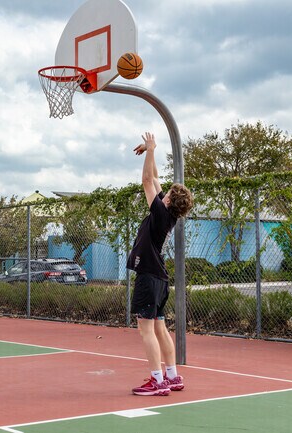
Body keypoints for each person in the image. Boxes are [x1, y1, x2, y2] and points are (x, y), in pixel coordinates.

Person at [127, 132, 193, 396]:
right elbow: (154, 178)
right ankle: (172, 376)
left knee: (146, 330)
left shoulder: (160, 213)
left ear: (167, 201)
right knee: (159, 327)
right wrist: (151, 152)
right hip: (160, 279)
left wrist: (152, 149)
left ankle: (157, 380)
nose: (162, 192)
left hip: (149, 277)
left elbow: (146, 181)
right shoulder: (167, 215)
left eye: (166, 194)